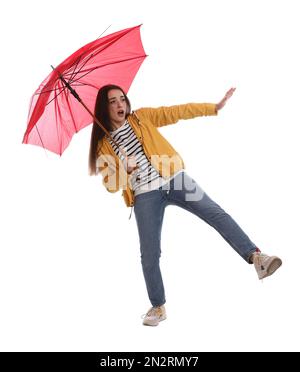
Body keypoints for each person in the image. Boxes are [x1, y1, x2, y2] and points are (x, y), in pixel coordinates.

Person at [89, 84, 282, 326]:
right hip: (144, 195)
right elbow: (110, 185)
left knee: (215, 213)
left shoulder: (142, 118)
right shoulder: (103, 145)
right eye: (112, 102)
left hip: (174, 179)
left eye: (122, 99)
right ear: (103, 108)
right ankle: (158, 307)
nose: (120, 105)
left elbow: (176, 112)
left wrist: (213, 107)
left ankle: (257, 258)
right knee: (149, 255)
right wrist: (122, 168)